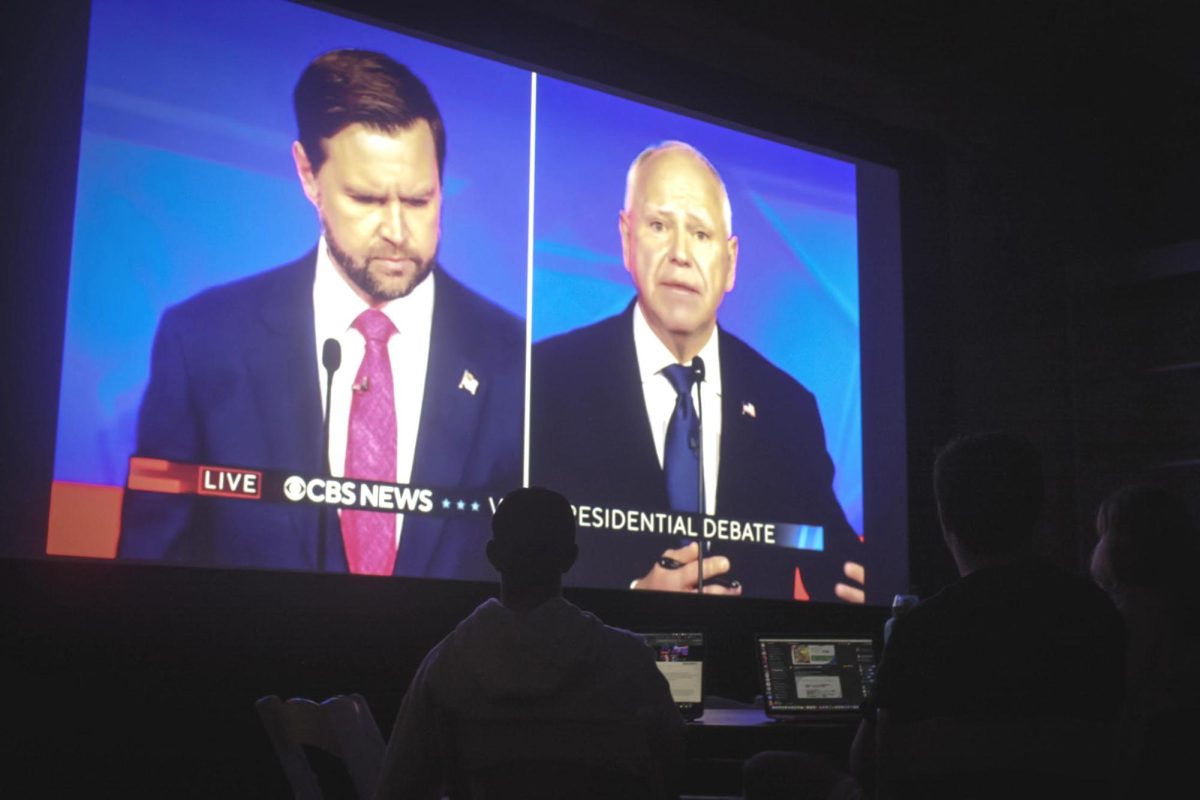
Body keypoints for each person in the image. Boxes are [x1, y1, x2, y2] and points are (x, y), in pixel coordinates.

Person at [118, 50, 523, 577]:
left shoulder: (517, 359)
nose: (398, 232)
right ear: (308, 175)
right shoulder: (201, 341)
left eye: (420, 200)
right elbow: (148, 575)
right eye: (366, 198)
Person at [530, 140, 863, 602]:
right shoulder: (545, 380)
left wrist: (873, 589)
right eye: (659, 225)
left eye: (701, 234)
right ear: (626, 238)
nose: (681, 254)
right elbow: (511, 568)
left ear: (730, 262)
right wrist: (631, 598)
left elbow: (836, 563)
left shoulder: (788, 407)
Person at [851, 432, 1126, 797]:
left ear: (946, 521)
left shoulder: (920, 629)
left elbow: (869, 767)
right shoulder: (1096, 613)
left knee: (770, 767)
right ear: (1038, 509)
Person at [374, 487, 685, 799]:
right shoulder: (629, 662)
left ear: (493, 555)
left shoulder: (444, 668)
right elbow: (673, 771)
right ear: (570, 557)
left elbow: (398, 787)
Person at [1091, 485, 1200, 795]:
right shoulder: (1178, 598)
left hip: (1152, 745)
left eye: (1103, 535)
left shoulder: (1136, 608)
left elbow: (1123, 681)